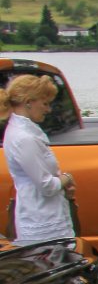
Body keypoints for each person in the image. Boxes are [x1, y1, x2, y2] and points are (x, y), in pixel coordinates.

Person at [3, 75, 76, 244]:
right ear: (28, 102)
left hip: (42, 214)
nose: (48, 110)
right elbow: (46, 186)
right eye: (45, 104)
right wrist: (67, 178)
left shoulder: (21, 132)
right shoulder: (24, 138)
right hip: (42, 220)